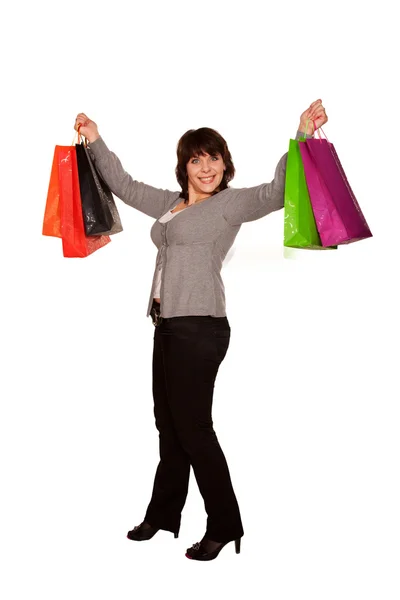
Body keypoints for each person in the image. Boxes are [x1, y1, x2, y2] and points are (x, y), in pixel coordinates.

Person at [74, 100, 328, 562]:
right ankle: (163, 515)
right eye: (196, 158)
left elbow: (276, 191)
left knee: (194, 429)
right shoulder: (170, 207)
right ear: (184, 167)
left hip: (200, 329)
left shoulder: (229, 205)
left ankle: (225, 525)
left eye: (213, 158)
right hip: (167, 327)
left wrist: (302, 136)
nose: (205, 166)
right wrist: (94, 137)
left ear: (225, 164)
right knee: (169, 428)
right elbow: (124, 185)